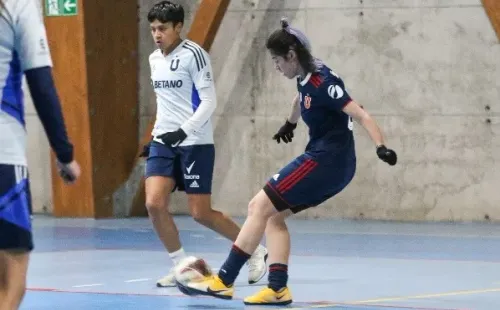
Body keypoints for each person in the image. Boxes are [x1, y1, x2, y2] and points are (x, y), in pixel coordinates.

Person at [175, 18, 398, 305]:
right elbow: (299, 98)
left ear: (292, 56)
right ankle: (278, 289)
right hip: (334, 165)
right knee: (273, 216)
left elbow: (361, 113)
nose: (276, 66)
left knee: (258, 205)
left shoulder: (323, 82)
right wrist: (289, 124)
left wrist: (381, 147)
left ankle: (224, 281)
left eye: (277, 60)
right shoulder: (306, 74)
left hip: (327, 161)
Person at [142, 1, 268, 287]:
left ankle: (254, 249)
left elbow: (209, 101)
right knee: (153, 203)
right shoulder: (154, 59)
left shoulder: (194, 55)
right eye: (152, 29)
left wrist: (183, 131)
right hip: (163, 141)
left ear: (178, 27)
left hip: (195, 142)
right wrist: (156, 137)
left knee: (201, 213)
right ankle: (182, 266)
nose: (157, 34)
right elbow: (166, 103)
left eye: (162, 28)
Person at [0, 0, 81, 309]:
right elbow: (42, 85)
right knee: (12, 279)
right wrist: (64, 154)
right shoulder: (18, 8)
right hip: (4, 157)